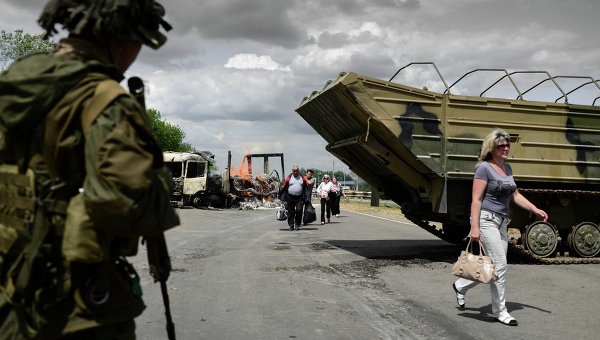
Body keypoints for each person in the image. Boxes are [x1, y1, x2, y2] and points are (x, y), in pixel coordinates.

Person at [0, 1, 179, 339]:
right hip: (71, 305)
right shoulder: (105, 100)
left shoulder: (16, 82)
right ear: (121, 41)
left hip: (10, 288)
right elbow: (128, 205)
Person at [452, 128, 547, 326]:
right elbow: (476, 200)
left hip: (502, 222)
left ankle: (461, 285)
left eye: (507, 145)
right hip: (485, 220)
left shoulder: (507, 168)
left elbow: (515, 195)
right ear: (491, 148)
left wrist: (535, 209)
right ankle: (500, 312)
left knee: (494, 266)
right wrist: (475, 227)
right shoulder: (484, 168)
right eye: (501, 145)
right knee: (501, 265)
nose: (505, 148)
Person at [280, 165, 311, 230]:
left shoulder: (302, 178)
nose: (295, 173)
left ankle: (297, 224)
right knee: (290, 212)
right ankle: (291, 225)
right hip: (290, 197)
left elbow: (306, 188)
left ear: (298, 171)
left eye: (296, 171)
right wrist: (282, 198)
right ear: (292, 171)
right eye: (294, 171)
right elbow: (284, 188)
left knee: (299, 210)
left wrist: (308, 198)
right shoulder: (289, 178)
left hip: (299, 198)